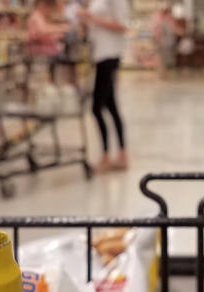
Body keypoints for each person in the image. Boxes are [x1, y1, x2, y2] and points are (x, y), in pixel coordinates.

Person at [79, 0, 129, 173]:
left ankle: (106, 156)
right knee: (111, 106)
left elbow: (122, 25)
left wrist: (92, 18)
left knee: (96, 108)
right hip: (99, 55)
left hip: (109, 55)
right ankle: (122, 155)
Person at [151, 3, 178, 78]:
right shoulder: (162, 18)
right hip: (163, 41)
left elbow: (171, 30)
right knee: (161, 58)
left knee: (162, 58)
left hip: (164, 41)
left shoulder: (165, 18)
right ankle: (162, 73)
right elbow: (157, 30)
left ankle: (162, 72)